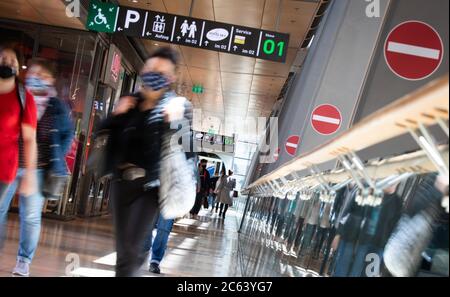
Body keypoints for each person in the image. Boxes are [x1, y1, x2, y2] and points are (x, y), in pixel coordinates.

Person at [100, 46, 192, 277]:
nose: (154, 75)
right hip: (121, 184)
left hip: (149, 187)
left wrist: (173, 124)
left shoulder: (178, 106)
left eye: (161, 72)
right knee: (124, 252)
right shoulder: (130, 101)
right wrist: (115, 116)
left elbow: (189, 150)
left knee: (132, 248)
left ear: (170, 78)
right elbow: (102, 132)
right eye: (151, 69)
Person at [0, 57, 73, 276]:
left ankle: (23, 260)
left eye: (41, 76)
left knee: (30, 216)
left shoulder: (57, 106)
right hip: (9, 163)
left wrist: (56, 157)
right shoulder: (18, 95)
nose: (35, 78)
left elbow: (67, 135)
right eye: (32, 74)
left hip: (38, 169)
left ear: (50, 79)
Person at [0, 45, 38, 269]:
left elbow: (30, 139)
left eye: (12, 60)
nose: (7, 63)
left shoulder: (24, 98)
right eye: (2, 58)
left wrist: (30, 174)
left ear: (18, 66)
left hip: (4, 168)